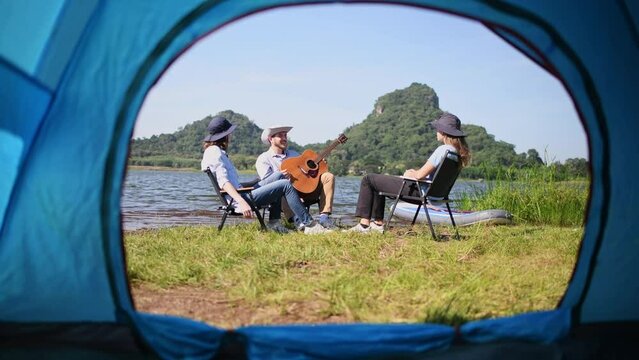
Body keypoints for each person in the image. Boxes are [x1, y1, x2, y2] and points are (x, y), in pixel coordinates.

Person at [200, 116, 331, 235]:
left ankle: (274, 223)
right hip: (240, 198)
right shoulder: (215, 152)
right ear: (226, 135)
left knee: (279, 176)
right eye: (230, 133)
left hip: (242, 193)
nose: (231, 135)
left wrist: (253, 183)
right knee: (284, 184)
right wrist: (241, 202)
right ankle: (310, 225)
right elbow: (223, 182)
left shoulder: (216, 151)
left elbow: (231, 182)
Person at [346, 112, 472, 233]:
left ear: (444, 132)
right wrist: (415, 173)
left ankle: (364, 225)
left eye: (438, 128)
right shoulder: (456, 153)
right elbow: (430, 176)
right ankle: (377, 224)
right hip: (436, 195)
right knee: (378, 181)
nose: (436, 131)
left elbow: (419, 175)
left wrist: (409, 174)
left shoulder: (443, 150)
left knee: (368, 179)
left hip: (420, 191)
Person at [255, 126, 337, 229]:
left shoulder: (294, 154)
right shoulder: (263, 159)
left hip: (305, 189)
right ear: (271, 139)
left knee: (328, 176)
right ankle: (298, 221)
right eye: (280, 136)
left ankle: (324, 218)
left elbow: (306, 174)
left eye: (285, 135)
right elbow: (267, 184)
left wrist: (320, 166)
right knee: (283, 184)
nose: (284, 138)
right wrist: (280, 175)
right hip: (282, 195)